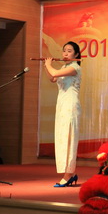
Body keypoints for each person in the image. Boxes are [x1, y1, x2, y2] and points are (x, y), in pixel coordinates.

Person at [43, 41, 82, 187]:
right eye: (64, 50)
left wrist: (49, 65)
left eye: (69, 51)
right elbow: (52, 78)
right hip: (62, 105)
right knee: (62, 137)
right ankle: (70, 173)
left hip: (71, 105)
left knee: (69, 138)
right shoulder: (64, 67)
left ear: (76, 54)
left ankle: (68, 175)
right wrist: (46, 65)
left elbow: (54, 73)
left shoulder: (74, 67)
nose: (65, 53)